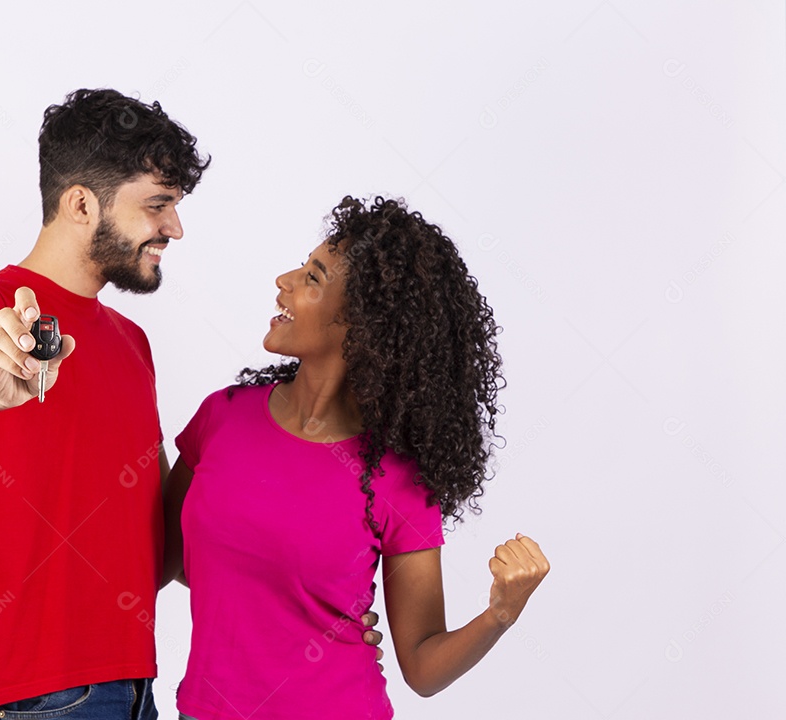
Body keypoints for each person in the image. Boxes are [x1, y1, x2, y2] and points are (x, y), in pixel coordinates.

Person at [163, 196, 551, 720]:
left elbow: (422, 665)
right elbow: (172, 558)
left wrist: (500, 614)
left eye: (313, 278)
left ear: (361, 327)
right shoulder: (223, 418)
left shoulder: (397, 479)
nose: (284, 280)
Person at [0, 88, 209, 718]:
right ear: (81, 203)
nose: (175, 228)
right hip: (28, 699)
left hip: (135, 686)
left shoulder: (132, 344)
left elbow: (162, 549)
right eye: (158, 205)